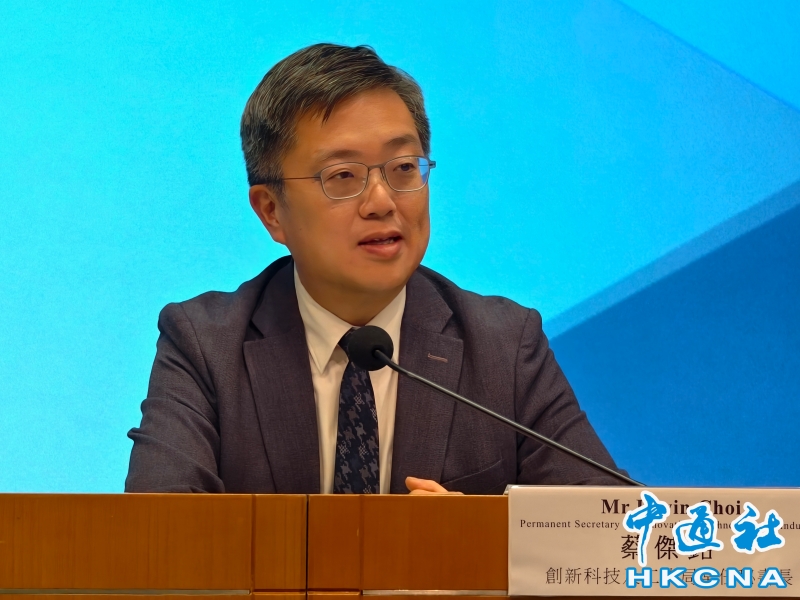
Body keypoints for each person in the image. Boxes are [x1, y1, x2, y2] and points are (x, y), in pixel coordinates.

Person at [125, 43, 625, 494]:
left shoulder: (503, 346)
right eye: (343, 176)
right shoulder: (206, 346)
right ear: (271, 211)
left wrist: (479, 542)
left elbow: (611, 534)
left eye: (404, 168)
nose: (382, 201)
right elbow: (155, 538)